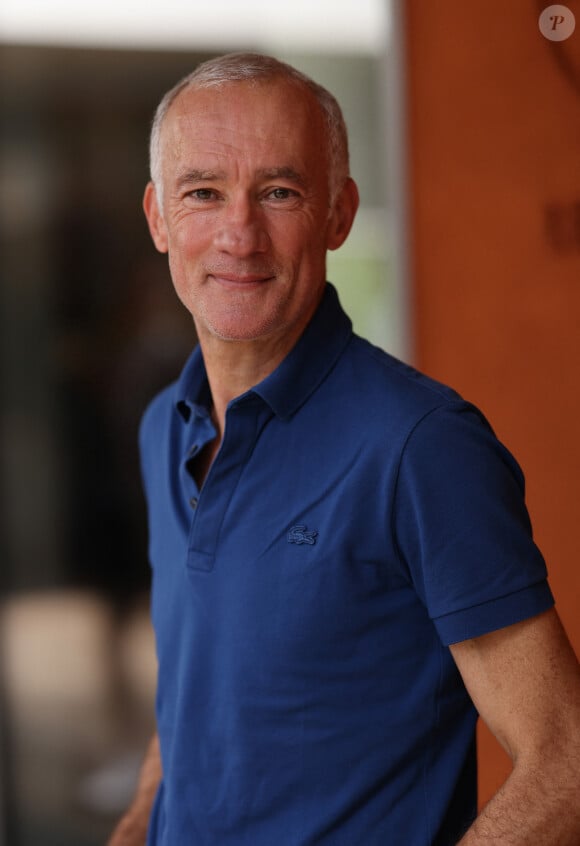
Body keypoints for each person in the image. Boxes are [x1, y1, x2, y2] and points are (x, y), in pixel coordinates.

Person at [108, 53, 580, 845]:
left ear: (339, 212)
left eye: (279, 192)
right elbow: (197, 693)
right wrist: (131, 829)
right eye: (203, 193)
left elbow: (564, 756)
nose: (239, 234)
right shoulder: (166, 423)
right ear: (159, 219)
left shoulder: (421, 448)